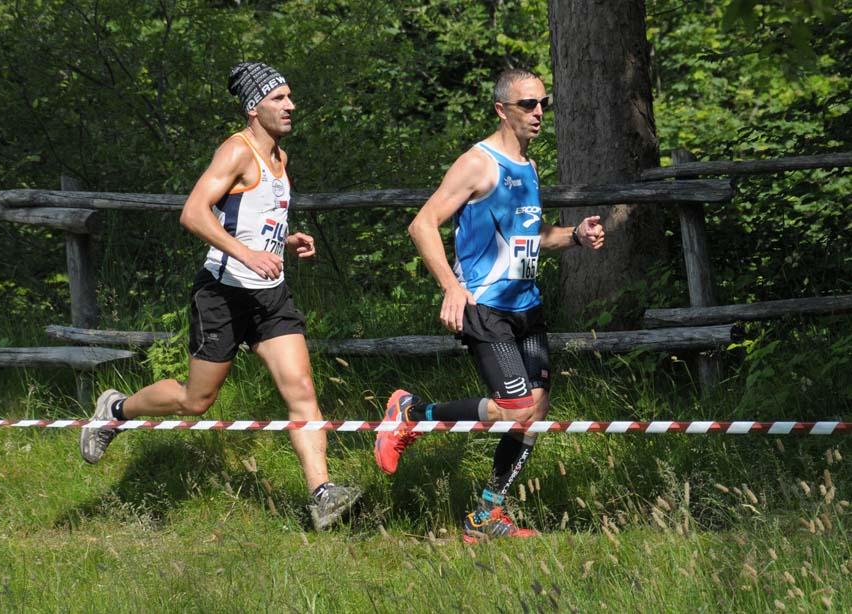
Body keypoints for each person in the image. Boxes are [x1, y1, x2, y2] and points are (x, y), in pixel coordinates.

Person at [81, 61, 361, 531]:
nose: (291, 106)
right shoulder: (237, 150)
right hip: (223, 296)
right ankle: (116, 410)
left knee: (302, 390)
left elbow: (254, 216)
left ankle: (322, 495)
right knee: (196, 401)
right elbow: (193, 212)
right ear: (254, 108)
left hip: (270, 298)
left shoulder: (279, 158)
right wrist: (246, 254)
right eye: (279, 99)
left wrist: (284, 242)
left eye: (290, 97)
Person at [374, 68, 605, 542]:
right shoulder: (478, 164)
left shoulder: (530, 167)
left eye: (544, 103)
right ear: (502, 109)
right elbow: (422, 224)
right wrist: (451, 286)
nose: (539, 112)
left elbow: (533, 237)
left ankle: (486, 515)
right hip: (485, 308)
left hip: (527, 305)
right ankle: (412, 414)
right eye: (528, 105)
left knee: (535, 412)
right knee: (516, 406)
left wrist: (575, 237)